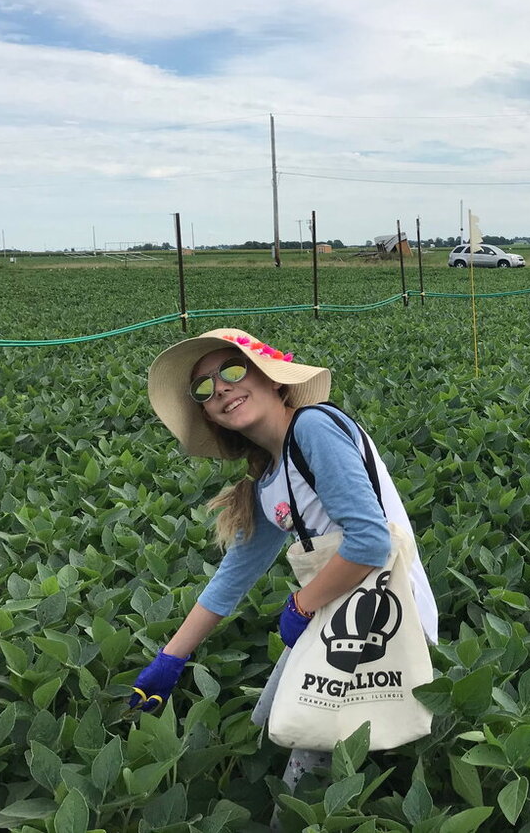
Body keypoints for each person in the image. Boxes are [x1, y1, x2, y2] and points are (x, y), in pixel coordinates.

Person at [127, 327, 439, 791]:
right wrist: (171, 658)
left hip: (384, 615)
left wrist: (302, 604)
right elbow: (231, 580)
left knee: (310, 750)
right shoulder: (269, 479)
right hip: (342, 613)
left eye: (233, 370)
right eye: (205, 388)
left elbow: (370, 542)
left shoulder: (312, 426)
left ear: (273, 377)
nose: (222, 389)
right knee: (281, 717)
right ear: (207, 412)